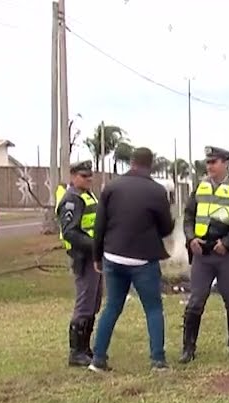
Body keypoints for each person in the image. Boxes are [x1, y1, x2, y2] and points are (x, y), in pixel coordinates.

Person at [90, 147, 175, 371]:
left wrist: (97, 256)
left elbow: (99, 226)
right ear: (151, 164)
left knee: (111, 307)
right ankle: (158, 360)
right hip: (143, 260)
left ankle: (98, 358)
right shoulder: (157, 191)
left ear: (131, 162)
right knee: (153, 308)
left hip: (112, 256)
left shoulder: (111, 187)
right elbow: (166, 229)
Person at [179, 145, 229, 363]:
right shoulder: (200, 187)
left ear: (225, 163)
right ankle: (188, 349)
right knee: (195, 301)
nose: (209, 166)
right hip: (202, 253)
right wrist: (190, 237)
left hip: (226, 254)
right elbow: (188, 216)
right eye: (208, 162)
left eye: (214, 162)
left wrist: (228, 243)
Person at [55, 161, 101, 367]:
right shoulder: (71, 200)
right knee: (84, 304)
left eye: (90, 176)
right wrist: (95, 246)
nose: (88, 179)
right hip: (84, 258)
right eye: (84, 176)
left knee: (93, 302)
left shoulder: (87, 195)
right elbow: (70, 232)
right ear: (73, 176)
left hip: (94, 257)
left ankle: (85, 347)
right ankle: (76, 351)